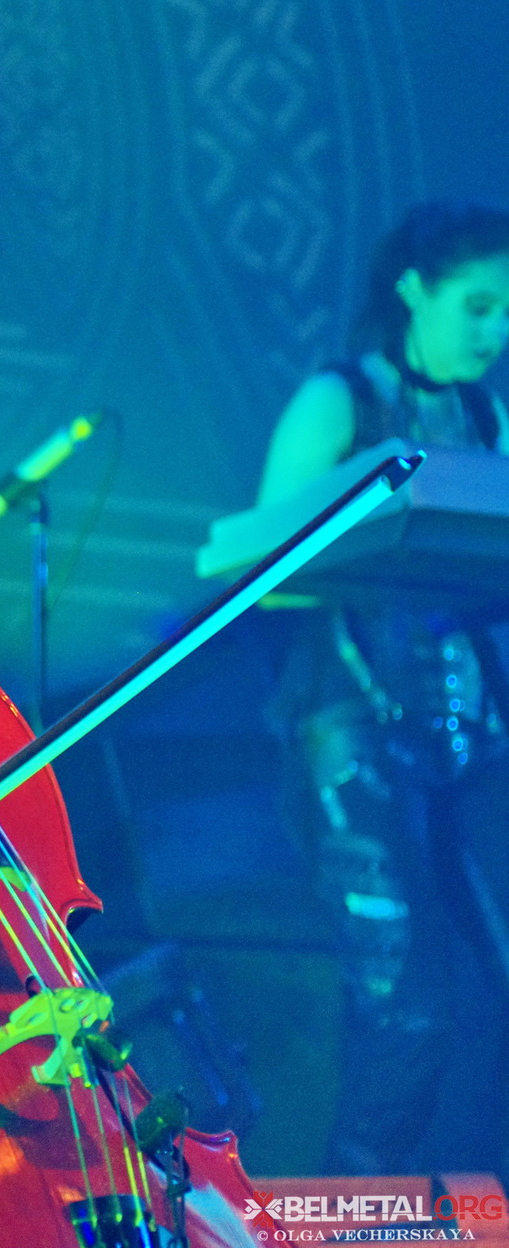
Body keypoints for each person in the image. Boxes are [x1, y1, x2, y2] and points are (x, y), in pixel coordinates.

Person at [257, 200, 509, 1174]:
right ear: (413, 289)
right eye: (478, 306)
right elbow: (262, 569)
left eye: (507, 313)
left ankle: (460, 1206)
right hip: (349, 730)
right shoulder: (337, 401)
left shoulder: (487, 417)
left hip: (476, 736)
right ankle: (352, 1218)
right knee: (405, 1002)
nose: (495, 332)